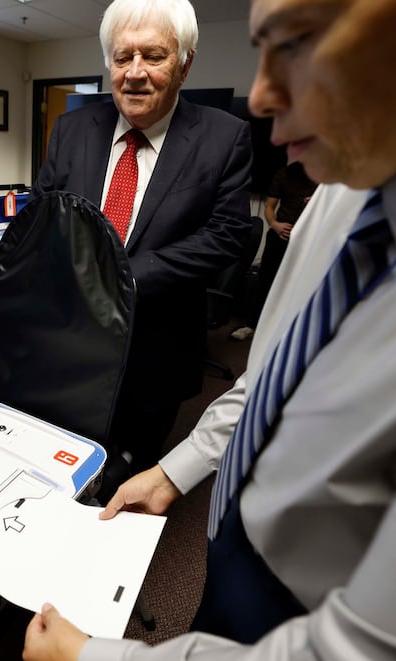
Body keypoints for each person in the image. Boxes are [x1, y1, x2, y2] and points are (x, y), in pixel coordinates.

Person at [22, 0, 396, 661]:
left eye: (300, 42)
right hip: (225, 526)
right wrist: (179, 472)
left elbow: (361, 654)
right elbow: (270, 375)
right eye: (121, 57)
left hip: (313, 594)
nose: (260, 95)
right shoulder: (338, 195)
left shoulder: (225, 138)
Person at [31, 0, 253, 475]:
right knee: (65, 450)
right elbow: (43, 211)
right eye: (121, 57)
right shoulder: (71, 129)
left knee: (131, 462)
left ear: (185, 64)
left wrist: (122, 275)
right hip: (71, 336)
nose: (134, 73)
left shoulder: (224, 137)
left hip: (158, 342)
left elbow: (231, 232)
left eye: (153, 56)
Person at [230, 160, 316, 341]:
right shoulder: (284, 173)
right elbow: (269, 206)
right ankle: (252, 325)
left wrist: (317, 203)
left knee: (298, 285)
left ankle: (287, 331)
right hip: (281, 234)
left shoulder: (326, 176)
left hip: (308, 237)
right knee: (265, 282)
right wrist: (275, 224)